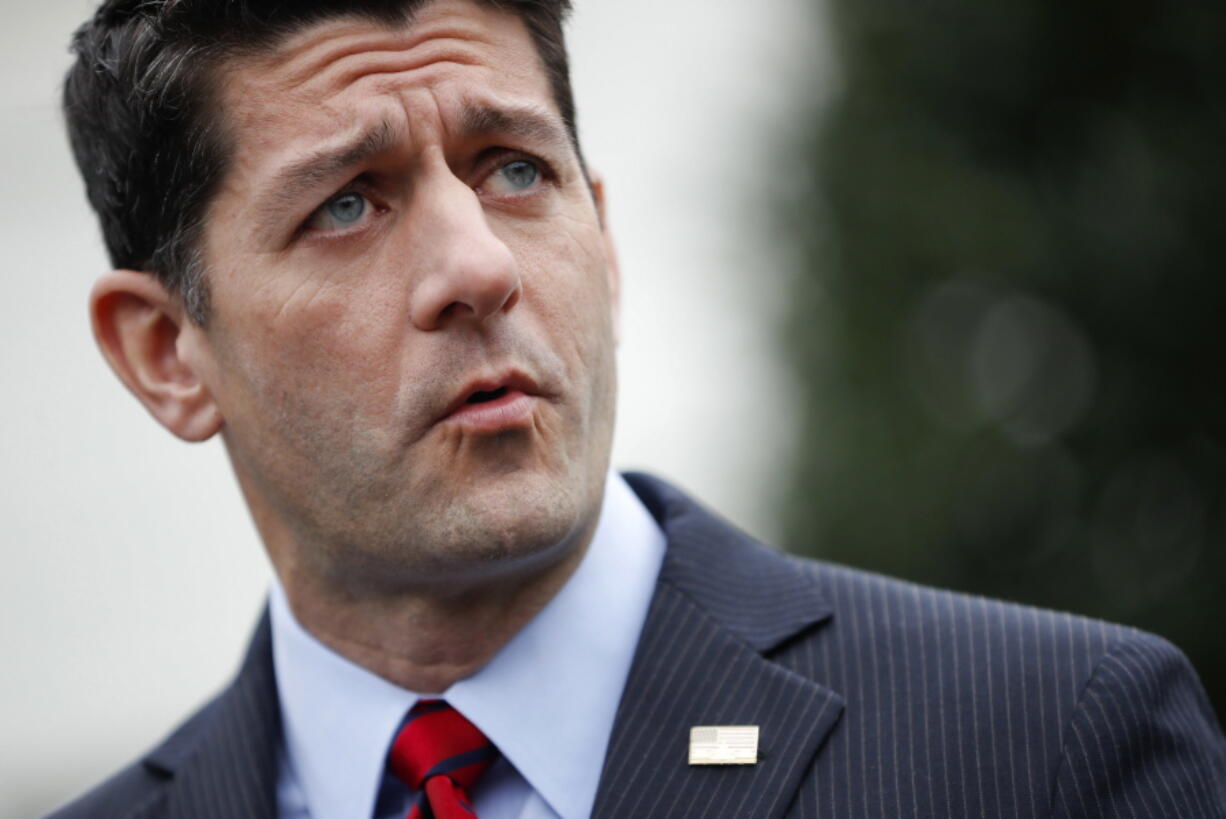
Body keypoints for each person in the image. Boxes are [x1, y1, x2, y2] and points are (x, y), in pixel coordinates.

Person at [53, 0, 1225, 816]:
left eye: (514, 168)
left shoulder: (1048, 749)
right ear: (167, 354)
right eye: (349, 204)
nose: (478, 268)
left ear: (601, 238)